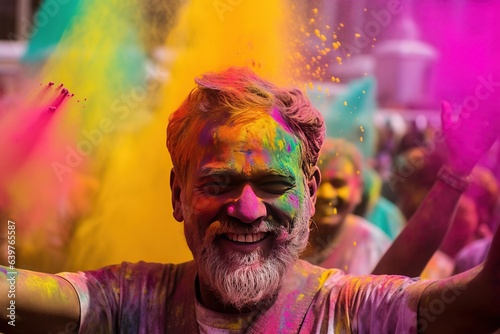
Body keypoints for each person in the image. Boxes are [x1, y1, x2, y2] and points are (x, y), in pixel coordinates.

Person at [1, 67, 500, 333]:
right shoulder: (131, 303)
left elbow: (484, 302)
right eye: (218, 184)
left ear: (309, 190)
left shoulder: (349, 311)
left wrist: (456, 172)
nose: (247, 209)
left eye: (273, 185)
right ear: (178, 195)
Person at [301, 138, 391, 275]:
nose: (326, 193)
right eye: (317, 183)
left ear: (358, 190)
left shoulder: (372, 246)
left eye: (338, 183)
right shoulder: (288, 239)